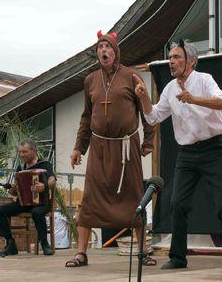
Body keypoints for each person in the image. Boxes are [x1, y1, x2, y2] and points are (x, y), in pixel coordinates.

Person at [135, 40, 222, 270]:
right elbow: (153, 117)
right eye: (170, 57)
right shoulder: (170, 88)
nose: (172, 62)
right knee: (178, 203)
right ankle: (178, 257)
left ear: (191, 61)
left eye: (177, 57)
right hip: (187, 153)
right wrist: (143, 96)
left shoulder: (204, 80)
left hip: (214, 149)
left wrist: (194, 98)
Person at [66, 30, 156, 267]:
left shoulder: (131, 77)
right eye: (99, 47)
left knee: (134, 196)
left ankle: (143, 252)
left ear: (115, 52)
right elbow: (86, 117)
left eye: (108, 47)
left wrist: (148, 141)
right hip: (98, 148)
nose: (103, 50)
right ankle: (81, 253)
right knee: (90, 197)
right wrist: (78, 148)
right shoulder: (90, 80)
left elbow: (146, 111)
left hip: (126, 148)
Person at [0, 139, 56, 256]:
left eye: (24, 152)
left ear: (33, 151)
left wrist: (44, 186)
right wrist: (13, 190)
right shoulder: (21, 168)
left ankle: (44, 243)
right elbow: (17, 191)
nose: (21, 155)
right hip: (23, 204)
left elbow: (52, 180)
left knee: (37, 212)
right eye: (20, 152)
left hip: (41, 203)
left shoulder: (45, 165)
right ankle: (10, 243)